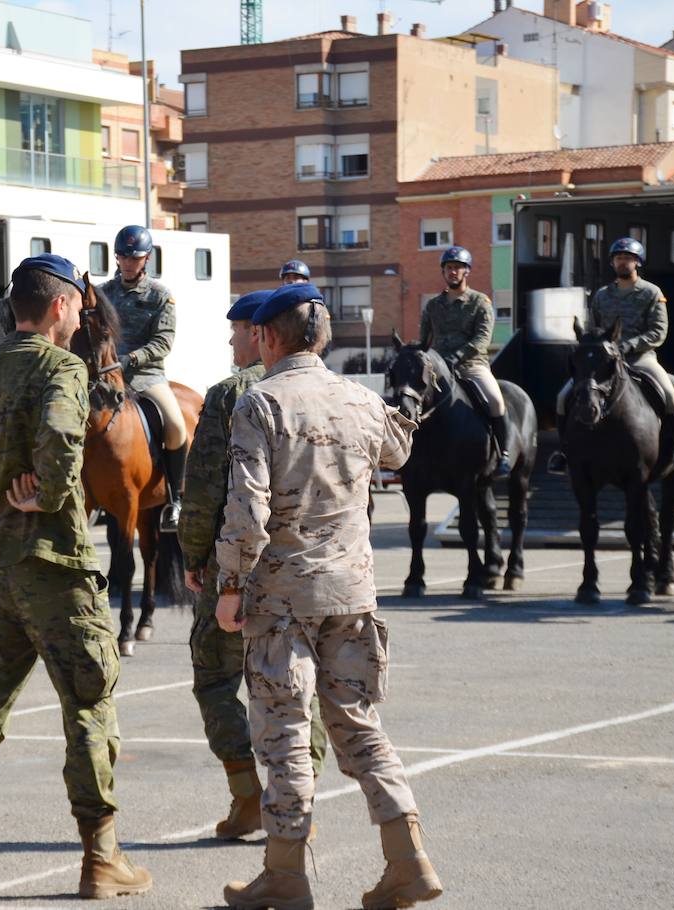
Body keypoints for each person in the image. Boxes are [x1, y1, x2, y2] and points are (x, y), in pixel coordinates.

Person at [0, 254, 151, 900]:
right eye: (78, 306)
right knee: (90, 706)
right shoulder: (64, 369)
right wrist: (46, 493)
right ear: (63, 305)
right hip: (56, 570)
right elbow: (61, 441)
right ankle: (102, 858)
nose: (80, 316)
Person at [215, 283, 441, 910]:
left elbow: (247, 510)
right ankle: (409, 860)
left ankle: (286, 875)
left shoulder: (259, 402)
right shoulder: (361, 400)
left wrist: (230, 584)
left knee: (286, 732)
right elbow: (400, 449)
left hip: (282, 598)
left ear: (266, 336)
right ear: (323, 338)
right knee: (361, 727)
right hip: (352, 593)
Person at [178, 290, 328, 842]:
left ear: (260, 333)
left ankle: (245, 795)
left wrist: (195, 557)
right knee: (300, 687)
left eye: (238, 331)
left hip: (236, 565)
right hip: (308, 568)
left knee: (215, 679)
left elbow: (204, 489)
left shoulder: (228, 395)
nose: (232, 341)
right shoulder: (327, 389)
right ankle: (299, 802)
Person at [547, 236, 674, 475]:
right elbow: (594, 328)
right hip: (605, 360)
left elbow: (659, 331)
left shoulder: (651, 292)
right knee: (564, 396)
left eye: (628, 259)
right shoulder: (602, 295)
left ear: (637, 263)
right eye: (619, 258)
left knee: (670, 396)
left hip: (640, 357)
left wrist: (628, 346)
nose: (623, 262)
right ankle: (564, 452)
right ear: (612, 263)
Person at [98, 225, 187, 531]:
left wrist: (132, 358)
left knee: (176, 425)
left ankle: (176, 500)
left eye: (134, 258)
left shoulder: (160, 295)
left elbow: (163, 341)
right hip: (106, 374)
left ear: (146, 258)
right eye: (123, 256)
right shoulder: (103, 293)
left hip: (147, 374)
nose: (127, 262)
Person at [418, 246, 511, 477]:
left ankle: (504, 455)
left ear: (466, 272)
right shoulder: (432, 305)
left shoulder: (480, 302)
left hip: (472, 366)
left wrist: (458, 357)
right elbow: (424, 340)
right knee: (413, 398)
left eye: (457, 268)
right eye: (449, 268)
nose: (452, 272)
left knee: (496, 401)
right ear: (443, 272)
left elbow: (482, 338)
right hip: (438, 369)